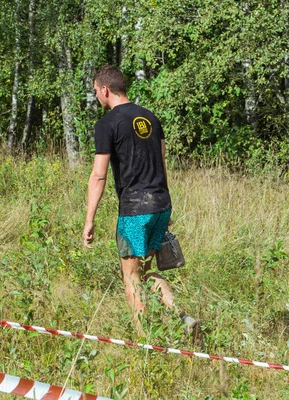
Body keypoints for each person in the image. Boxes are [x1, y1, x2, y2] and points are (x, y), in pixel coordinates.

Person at [82, 64, 198, 335]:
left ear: (106, 90)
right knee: (145, 272)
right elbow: (162, 162)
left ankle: (144, 344)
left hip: (135, 210)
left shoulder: (107, 124)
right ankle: (182, 316)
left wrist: (89, 220)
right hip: (160, 204)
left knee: (131, 277)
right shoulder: (151, 118)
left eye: (96, 91)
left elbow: (98, 176)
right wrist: (164, 208)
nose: (96, 97)